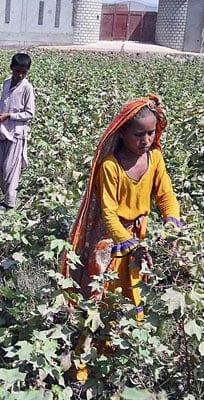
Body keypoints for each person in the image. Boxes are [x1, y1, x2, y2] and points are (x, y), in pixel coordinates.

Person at [61, 94, 183, 382]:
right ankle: (83, 365)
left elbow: (165, 195)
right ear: (122, 133)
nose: (146, 140)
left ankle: (119, 359)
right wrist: (129, 245)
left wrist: (172, 223)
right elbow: (109, 211)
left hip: (138, 237)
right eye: (138, 134)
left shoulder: (155, 159)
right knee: (99, 298)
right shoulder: (111, 167)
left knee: (133, 297)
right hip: (110, 242)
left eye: (151, 133)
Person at [0, 53, 35, 212]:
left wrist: (9, 115)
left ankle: (10, 204)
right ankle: (6, 200)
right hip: (3, 132)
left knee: (10, 169)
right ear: (11, 69)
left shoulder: (27, 88)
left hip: (16, 134)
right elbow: (3, 101)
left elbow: (30, 113)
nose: (20, 75)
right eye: (17, 71)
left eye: (24, 72)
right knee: (1, 169)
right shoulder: (6, 83)